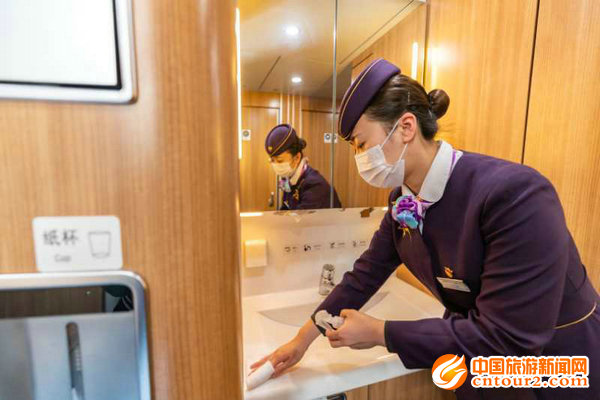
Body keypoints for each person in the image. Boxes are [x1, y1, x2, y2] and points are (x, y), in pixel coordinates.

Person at [251, 59, 600, 399]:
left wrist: (381, 333)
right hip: (478, 361)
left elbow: (508, 338)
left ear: (406, 127)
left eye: (361, 145)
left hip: (555, 366)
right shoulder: (403, 200)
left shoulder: (513, 193)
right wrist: (302, 340)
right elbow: (366, 274)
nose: (359, 159)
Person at [265, 123, 341, 210]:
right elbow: (285, 209)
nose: (276, 165)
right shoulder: (289, 180)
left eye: (280, 161)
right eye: (272, 160)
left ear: (297, 157)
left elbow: (302, 218)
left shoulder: (315, 186)